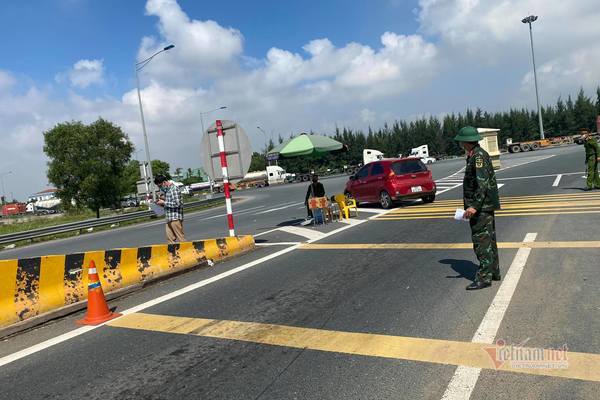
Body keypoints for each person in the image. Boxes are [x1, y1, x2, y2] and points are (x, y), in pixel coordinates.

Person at [454, 126, 501, 290]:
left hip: (481, 207)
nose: (459, 143)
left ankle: (483, 278)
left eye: (461, 140)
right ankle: (493, 272)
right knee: (489, 240)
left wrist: (474, 207)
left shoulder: (478, 157)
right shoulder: (474, 155)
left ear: (466, 141)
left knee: (481, 242)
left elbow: (482, 184)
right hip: (484, 205)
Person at [154, 174, 186, 243]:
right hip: (169, 218)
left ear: (164, 182)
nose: (160, 188)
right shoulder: (167, 191)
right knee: (170, 239)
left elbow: (177, 203)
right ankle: (173, 253)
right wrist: (160, 202)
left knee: (181, 238)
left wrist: (164, 202)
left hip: (175, 218)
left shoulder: (173, 189)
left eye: (160, 185)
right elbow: (169, 204)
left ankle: (188, 253)